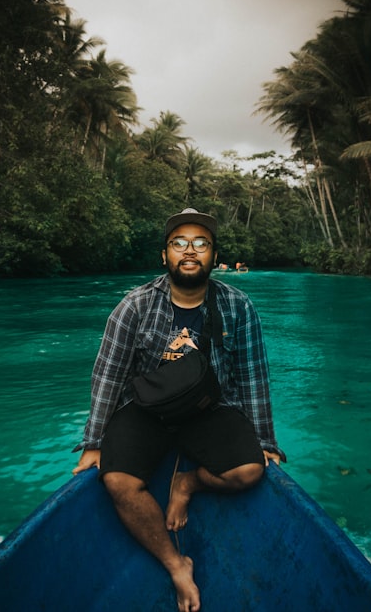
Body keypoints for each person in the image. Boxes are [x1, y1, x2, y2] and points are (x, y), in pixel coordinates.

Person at [72, 208, 285, 612]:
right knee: (116, 481)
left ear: (214, 256)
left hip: (210, 407)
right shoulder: (134, 306)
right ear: (165, 256)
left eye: (201, 243)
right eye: (179, 243)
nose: (190, 251)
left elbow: (253, 375)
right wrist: (94, 441)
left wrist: (265, 440)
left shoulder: (238, 307)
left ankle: (186, 484)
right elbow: (108, 375)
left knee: (250, 471)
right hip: (147, 409)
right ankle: (175, 564)